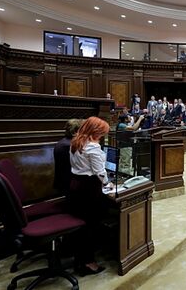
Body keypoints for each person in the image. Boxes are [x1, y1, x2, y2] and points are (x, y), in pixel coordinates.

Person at [68, 116, 110, 275]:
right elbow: (100, 173)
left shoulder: (75, 142)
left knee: (82, 226)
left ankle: (80, 259)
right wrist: (107, 183)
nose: (102, 136)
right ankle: (89, 263)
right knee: (90, 226)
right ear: (95, 132)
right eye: (101, 133)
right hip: (89, 189)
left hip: (76, 186)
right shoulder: (92, 147)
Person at [53, 119, 83, 195]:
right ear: (75, 131)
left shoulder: (62, 142)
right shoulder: (69, 145)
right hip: (69, 185)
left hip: (62, 182)